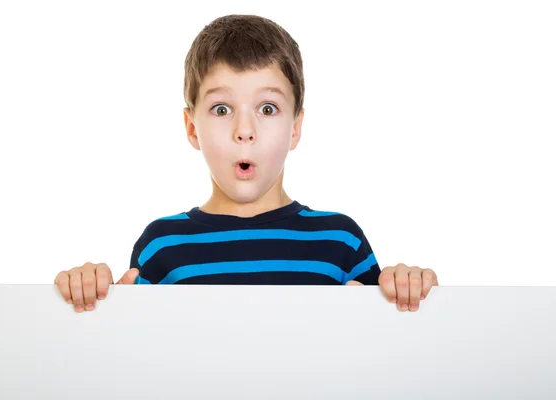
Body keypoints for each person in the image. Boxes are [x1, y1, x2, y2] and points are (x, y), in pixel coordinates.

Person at [54, 14, 438, 314]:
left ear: (295, 128)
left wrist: (407, 289)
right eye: (222, 109)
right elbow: (139, 355)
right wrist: (90, 294)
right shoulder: (161, 245)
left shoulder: (341, 242)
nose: (244, 130)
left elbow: (381, 348)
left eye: (267, 108)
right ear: (192, 128)